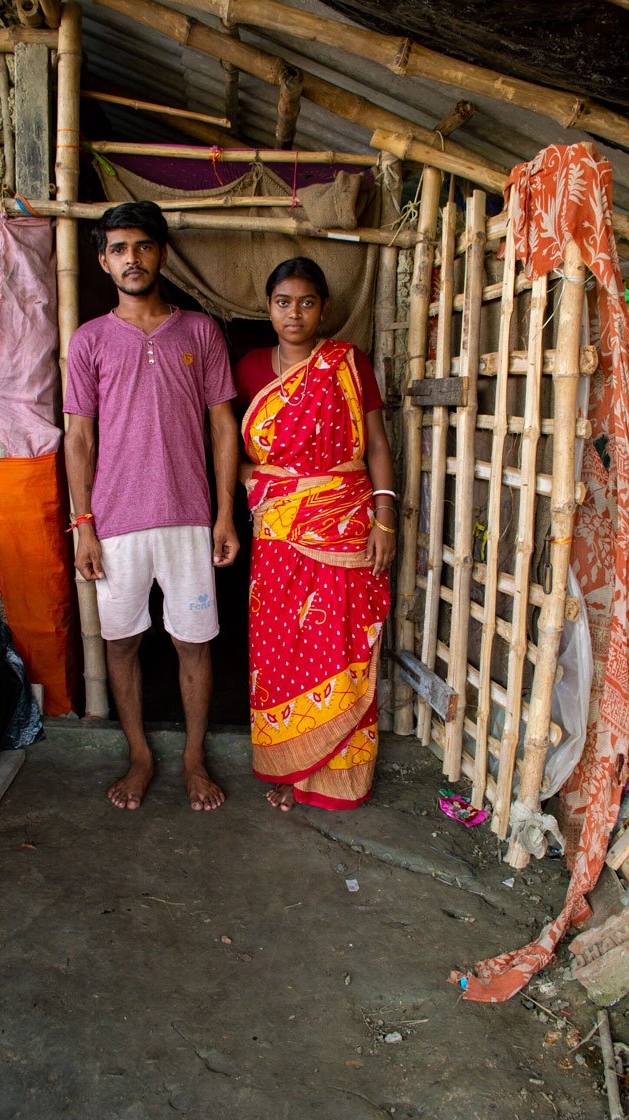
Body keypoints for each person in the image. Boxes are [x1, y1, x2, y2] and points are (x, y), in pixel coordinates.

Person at [64, 201, 240, 812]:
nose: (130, 259)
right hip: (114, 525)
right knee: (122, 643)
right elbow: (79, 438)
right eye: (117, 249)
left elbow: (224, 428)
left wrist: (224, 514)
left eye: (141, 246)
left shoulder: (199, 331)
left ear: (161, 253)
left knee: (194, 643)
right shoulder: (88, 342)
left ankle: (194, 758)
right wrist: (83, 525)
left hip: (190, 519)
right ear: (102, 261)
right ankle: (139, 754)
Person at [234, 257, 394, 811]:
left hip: (348, 524)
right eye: (283, 302)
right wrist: (248, 478)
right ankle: (290, 768)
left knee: (341, 645)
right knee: (281, 650)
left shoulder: (349, 363)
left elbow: (375, 444)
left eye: (306, 302)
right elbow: (228, 447)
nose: (294, 313)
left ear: (324, 308)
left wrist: (385, 516)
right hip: (279, 533)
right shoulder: (250, 367)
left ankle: (335, 777)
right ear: (268, 308)